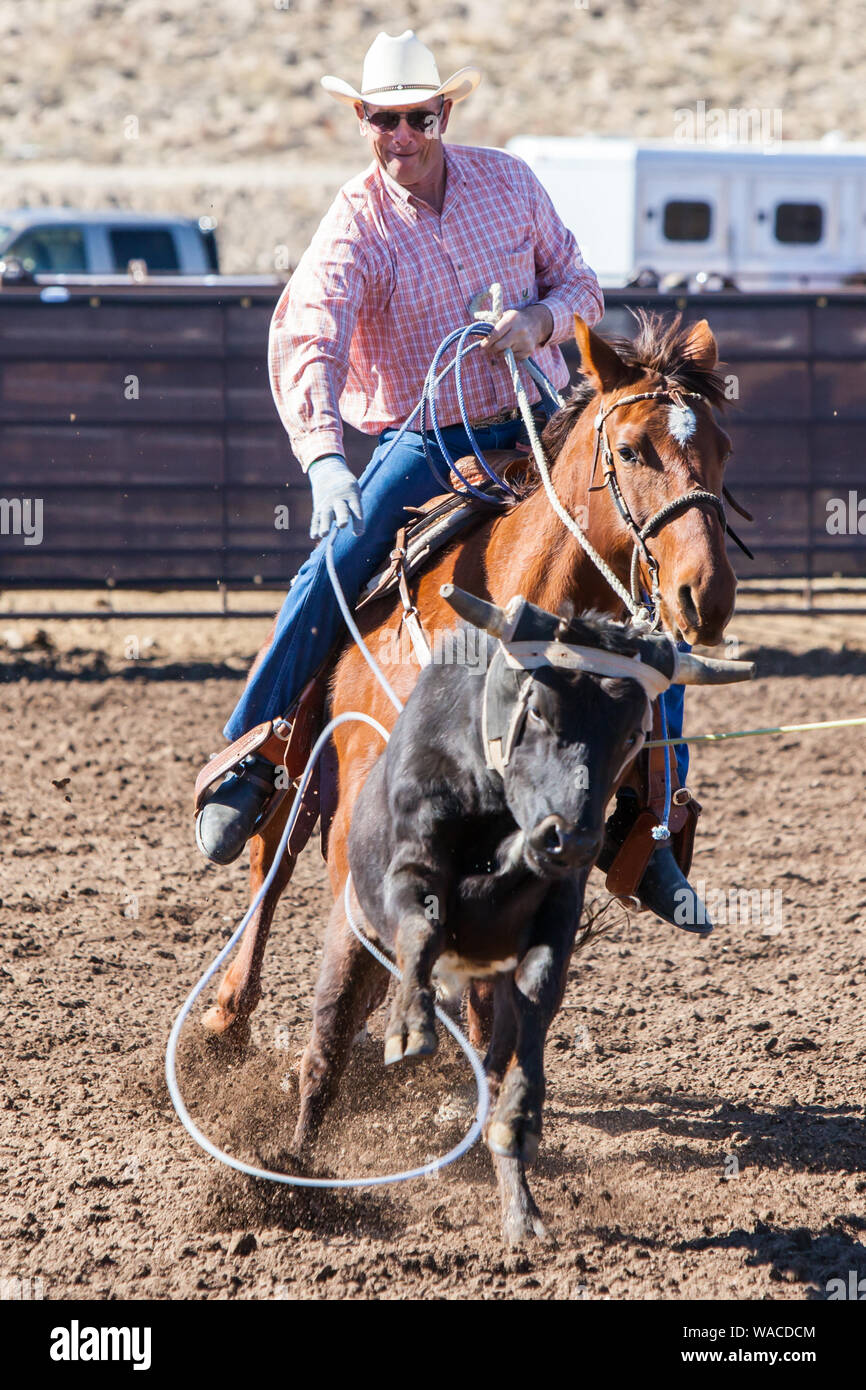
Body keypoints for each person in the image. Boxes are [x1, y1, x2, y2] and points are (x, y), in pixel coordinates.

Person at [195, 29, 702, 929]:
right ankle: (254, 753)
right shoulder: (356, 223)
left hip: (541, 423)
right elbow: (310, 336)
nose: (402, 134)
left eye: (418, 116)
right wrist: (322, 459)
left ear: (445, 113)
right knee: (335, 565)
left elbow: (580, 282)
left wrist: (542, 322)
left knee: (645, 573)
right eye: (384, 118)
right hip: (424, 435)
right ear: (362, 120)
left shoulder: (508, 182)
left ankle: (651, 826)